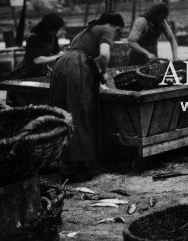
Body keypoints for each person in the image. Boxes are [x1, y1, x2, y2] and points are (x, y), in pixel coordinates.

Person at [49, 12, 125, 180]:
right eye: (118, 30)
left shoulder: (85, 31)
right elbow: (104, 55)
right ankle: (81, 167)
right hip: (77, 67)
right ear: (114, 25)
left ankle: (67, 163)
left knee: (64, 113)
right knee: (81, 112)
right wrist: (103, 72)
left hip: (61, 65)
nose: (117, 34)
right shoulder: (107, 29)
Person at [9, 13, 65, 79]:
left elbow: (58, 52)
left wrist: (68, 55)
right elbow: (37, 60)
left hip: (41, 72)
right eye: (56, 30)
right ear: (48, 28)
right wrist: (59, 57)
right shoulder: (33, 38)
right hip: (26, 73)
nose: (57, 32)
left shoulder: (53, 37)